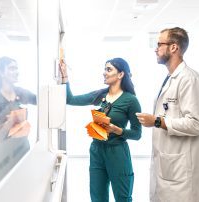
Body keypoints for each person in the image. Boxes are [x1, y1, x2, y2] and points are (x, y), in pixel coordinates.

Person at [136, 27, 199, 202]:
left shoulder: (189, 79)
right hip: (169, 166)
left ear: (174, 47)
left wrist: (157, 121)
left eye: (159, 44)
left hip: (182, 172)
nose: (156, 49)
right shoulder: (171, 78)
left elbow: (195, 124)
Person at [59, 57, 142, 202]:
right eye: (105, 69)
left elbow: (137, 133)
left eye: (109, 69)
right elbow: (70, 99)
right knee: (97, 198)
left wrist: (117, 130)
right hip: (97, 150)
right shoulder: (100, 95)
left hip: (117, 152)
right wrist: (65, 76)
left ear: (121, 74)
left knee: (123, 198)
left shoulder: (131, 100)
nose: (104, 73)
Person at [0, 56, 36, 191]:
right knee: (2, 191)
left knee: (22, 191)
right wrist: (5, 126)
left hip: (22, 148)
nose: (16, 71)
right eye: (12, 68)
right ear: (1, 73)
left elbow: (41, 100)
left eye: (17, 68)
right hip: (3, 152)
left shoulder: (21, 92)